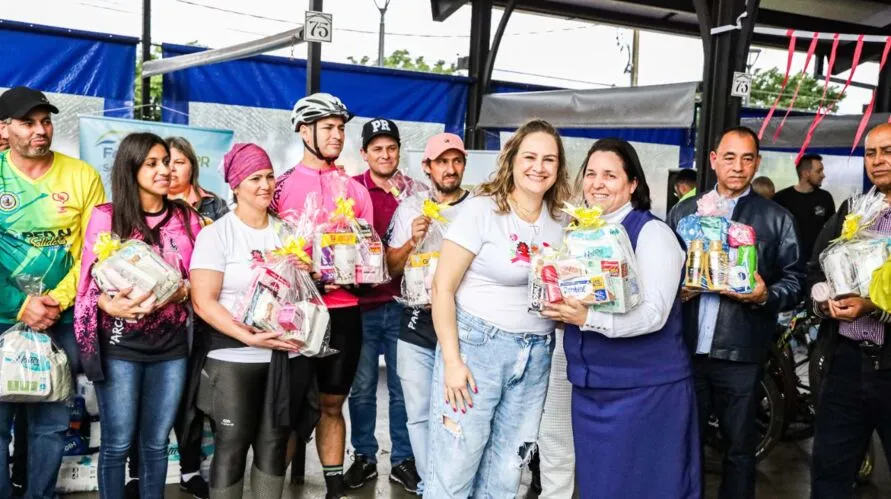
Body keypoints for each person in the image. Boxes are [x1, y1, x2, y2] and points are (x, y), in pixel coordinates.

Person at [543, 138, 700, 498]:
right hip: (591, 391)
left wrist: (586, 318)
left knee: (649, 487)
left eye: (610, 175)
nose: (597, 183)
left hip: (645, 392)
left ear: (632, 185)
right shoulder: (580, 234)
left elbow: (655, 315)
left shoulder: (651, 232)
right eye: (591, 174)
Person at [426, 119, 571, 498]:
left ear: (559, 168)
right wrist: (453, 362)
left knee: (508, 470)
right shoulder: (482, 211)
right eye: (530, 157)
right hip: (477, 349)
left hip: (536, 354)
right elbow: (442, 288)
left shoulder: (562, 222)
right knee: (455, 467)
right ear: (512, 159)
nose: (539, 167)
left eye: (549, 160)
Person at [668, 126, 804, 499]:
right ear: (713, 160)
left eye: (747, 158)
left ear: (757, 163)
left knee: (740, 450)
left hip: (740, 356)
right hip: (686, 350)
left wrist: (765, 295)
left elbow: (797, 281)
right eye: (729, 157)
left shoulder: (776, 218)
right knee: (682, 446)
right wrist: (675, 291)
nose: (738, 166)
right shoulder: (684, 212)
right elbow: (660, 273)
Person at [74, 133, 201, 499]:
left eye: (167, 162)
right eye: (153, 164)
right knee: (116, 443)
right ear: (131, 168)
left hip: (172, 349)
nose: (165, 170)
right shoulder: (107, 217)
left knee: (156, 443)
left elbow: (200, 279)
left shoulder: (186, 219)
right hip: (120, 347)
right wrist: (106, 304)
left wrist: (183, 290)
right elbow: (87, 286)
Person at [190, 143, 317, 499]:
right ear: (234, 185)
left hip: (284, 356)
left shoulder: (288, 233)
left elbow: (302, 296)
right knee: (231, 444)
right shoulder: (216, 234)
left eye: (269, 176)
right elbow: (203, 301)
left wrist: (307, 273)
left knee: (276, 442)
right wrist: (247, 337)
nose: (265, 185)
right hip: (234, 359)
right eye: (254, 178)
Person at [0, 86, 106, 499]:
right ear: (5, 128)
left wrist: (56, 302)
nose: (41, 130)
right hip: (5, 315)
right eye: (28, 122)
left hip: (59, 320)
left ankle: (39, 494)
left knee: (51, 422)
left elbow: (95, 251)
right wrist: (20, 304)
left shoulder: (82, 176)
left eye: (46, 121)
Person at [270, 92, 373, 499]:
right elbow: (265, 254)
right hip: (296, 313)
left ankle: (334, 489)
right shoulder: (278, 187)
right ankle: (271, 488)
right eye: (328, 127)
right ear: (303, 130)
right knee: (290, 413)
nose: (337, 135)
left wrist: (354, 273)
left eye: (341, 128)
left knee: (333, 404)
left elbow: (371, 255)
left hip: (344, 312)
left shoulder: (353, 188)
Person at [808, 123, 891, 499]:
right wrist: (824, 302)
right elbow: (815, 269)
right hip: (847, 361)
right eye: (871, 153)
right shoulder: (853, 210)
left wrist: (873, 306)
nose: (878, 160)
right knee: (829, 471)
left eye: (887, 151)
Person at [386, 132, 471, 493]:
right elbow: (390, 269)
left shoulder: (479, 207)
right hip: (416, 322)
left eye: (457, 161)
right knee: (418, 413)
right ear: (428, 166)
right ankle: (430, 486)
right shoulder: (410, 208)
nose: (450, 169)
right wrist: (411, 241)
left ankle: (454, 486)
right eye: (442, 161)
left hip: (465, 326)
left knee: (462, 415)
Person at [344, 118, 420, 492]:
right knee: (361, 388)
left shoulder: (414, 193)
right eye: (377, 148)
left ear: (398, 152)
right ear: (364, 154)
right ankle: (364, 456)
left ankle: (403, 459)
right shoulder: (350, 191)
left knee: (403, 388)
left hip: (405, 304)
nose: (385, 154)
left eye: (391, 148)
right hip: (361, 305)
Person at [774, 154, 836, 266]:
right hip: (789, 265)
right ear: (805, 173)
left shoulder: (825, 198)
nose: (823, 175)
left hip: (818, 264)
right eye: (819, 171)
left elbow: (833, 231)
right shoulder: (781, 199)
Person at [167, 136, 229, 221]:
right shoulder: (144, 204)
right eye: (166, 162)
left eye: (179, 162)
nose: (171, 168)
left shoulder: (215, 205)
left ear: (192, 167)